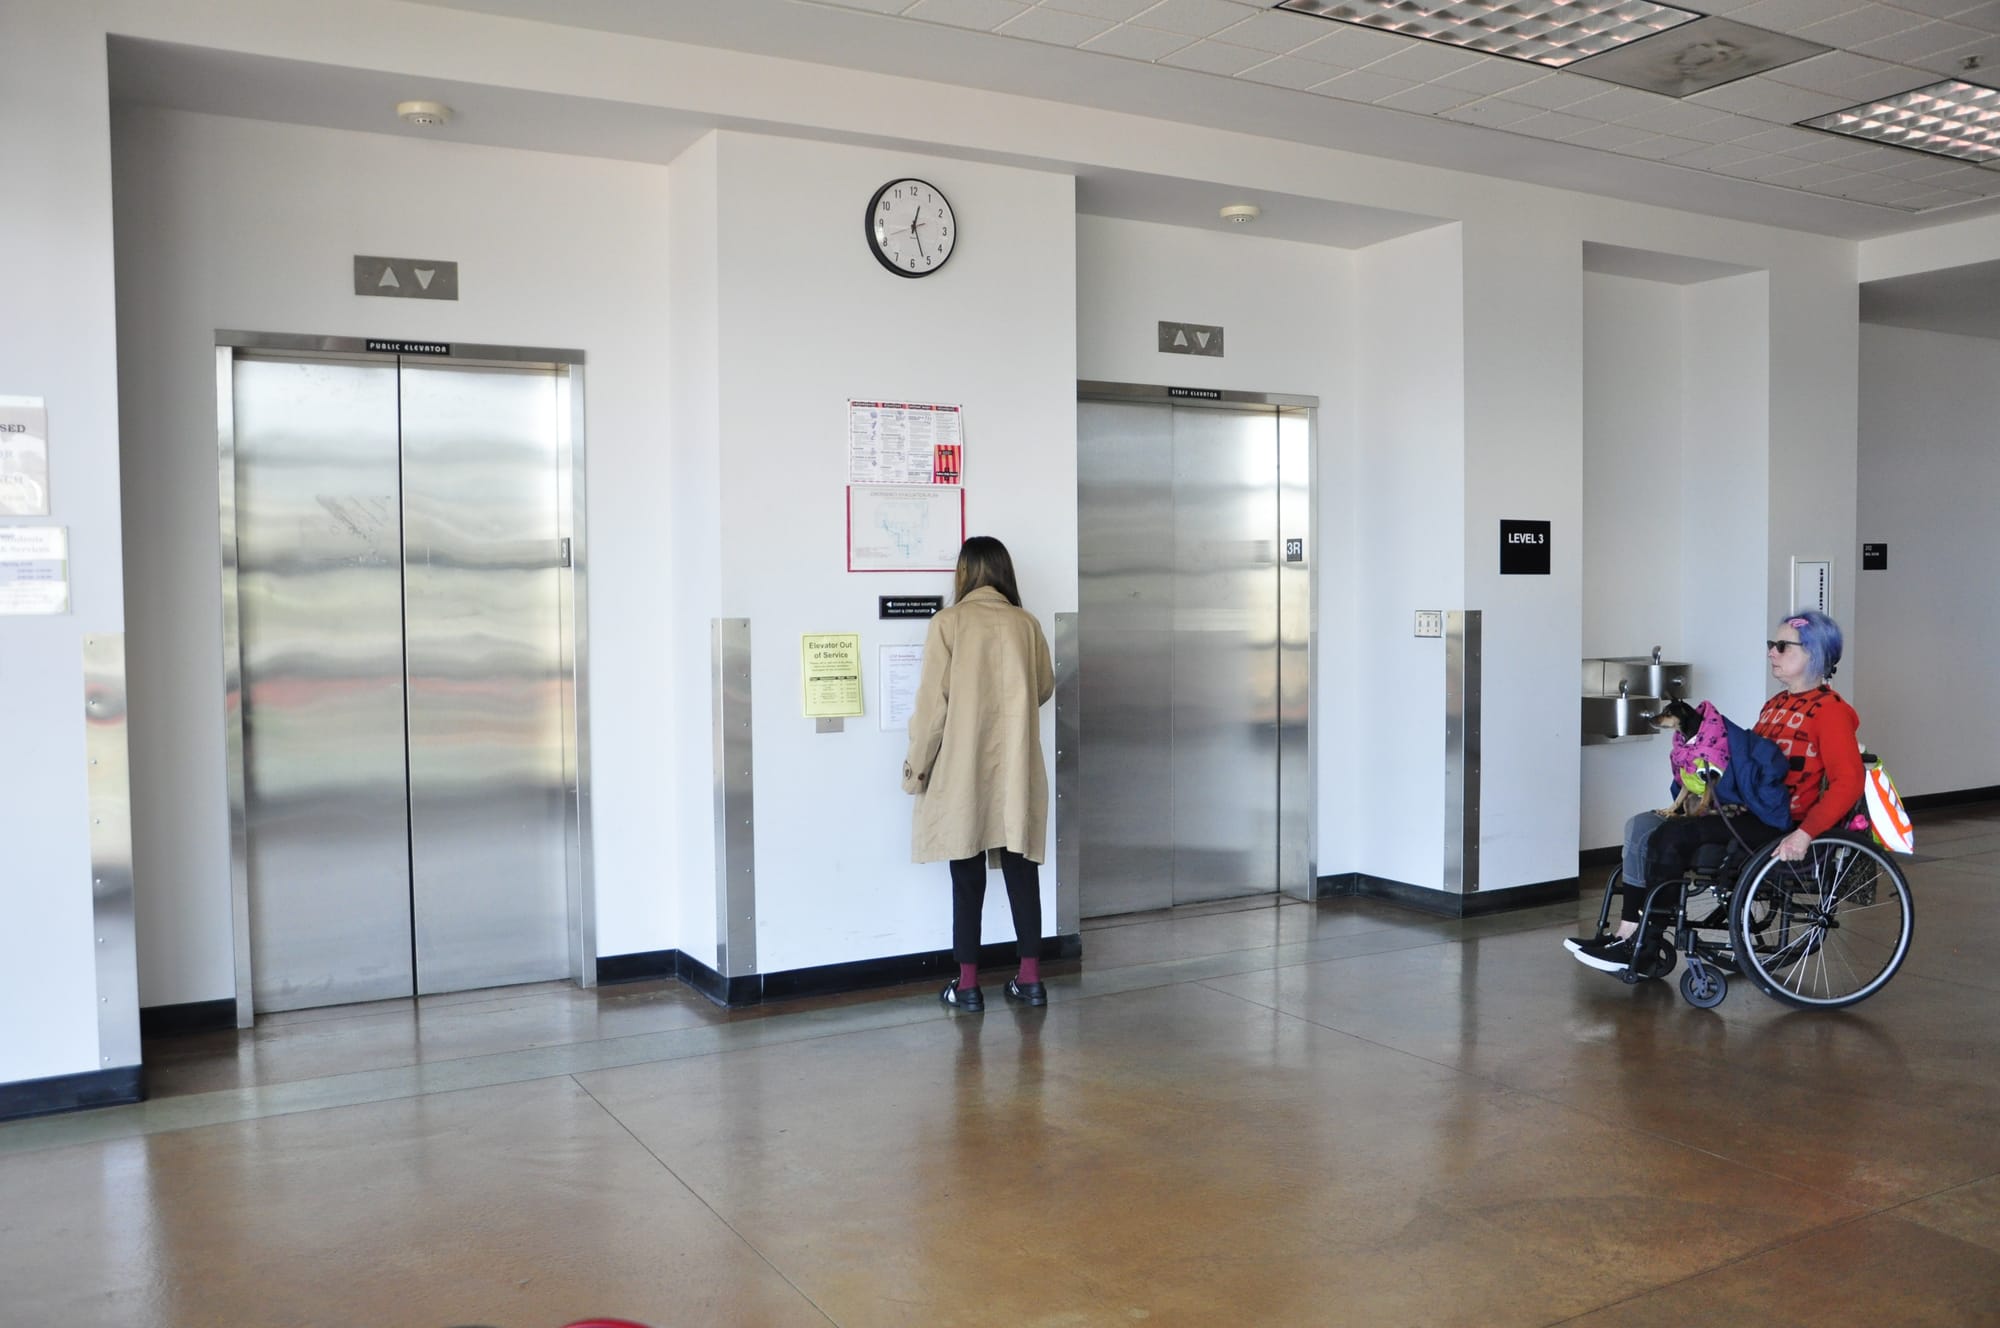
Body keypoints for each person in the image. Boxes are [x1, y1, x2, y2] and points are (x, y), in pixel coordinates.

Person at [1570, 610, 1866, 974]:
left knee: (1671, 837)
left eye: (1782, 646)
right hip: (1744, 807)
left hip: (1779, 822)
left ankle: (1641, 946)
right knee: (1641, 826)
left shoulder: (1831, 712)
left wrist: (1805, 835)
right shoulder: (1776, 706)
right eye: (1772, 645)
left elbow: (1849, 781)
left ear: (1814, 654)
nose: (1772, 652)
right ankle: (1626, 932)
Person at [902, 536, 1056, 1012]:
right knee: (1021, 867)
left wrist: (916, 770)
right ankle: (1029, 980)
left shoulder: (947, 624)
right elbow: (1044, 687)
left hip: (962, 769)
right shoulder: (1025, 624)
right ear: (1006, 573)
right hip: (1015, 765)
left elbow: (933, 709)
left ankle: (967, 986)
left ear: (964, 573)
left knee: (966, 874)